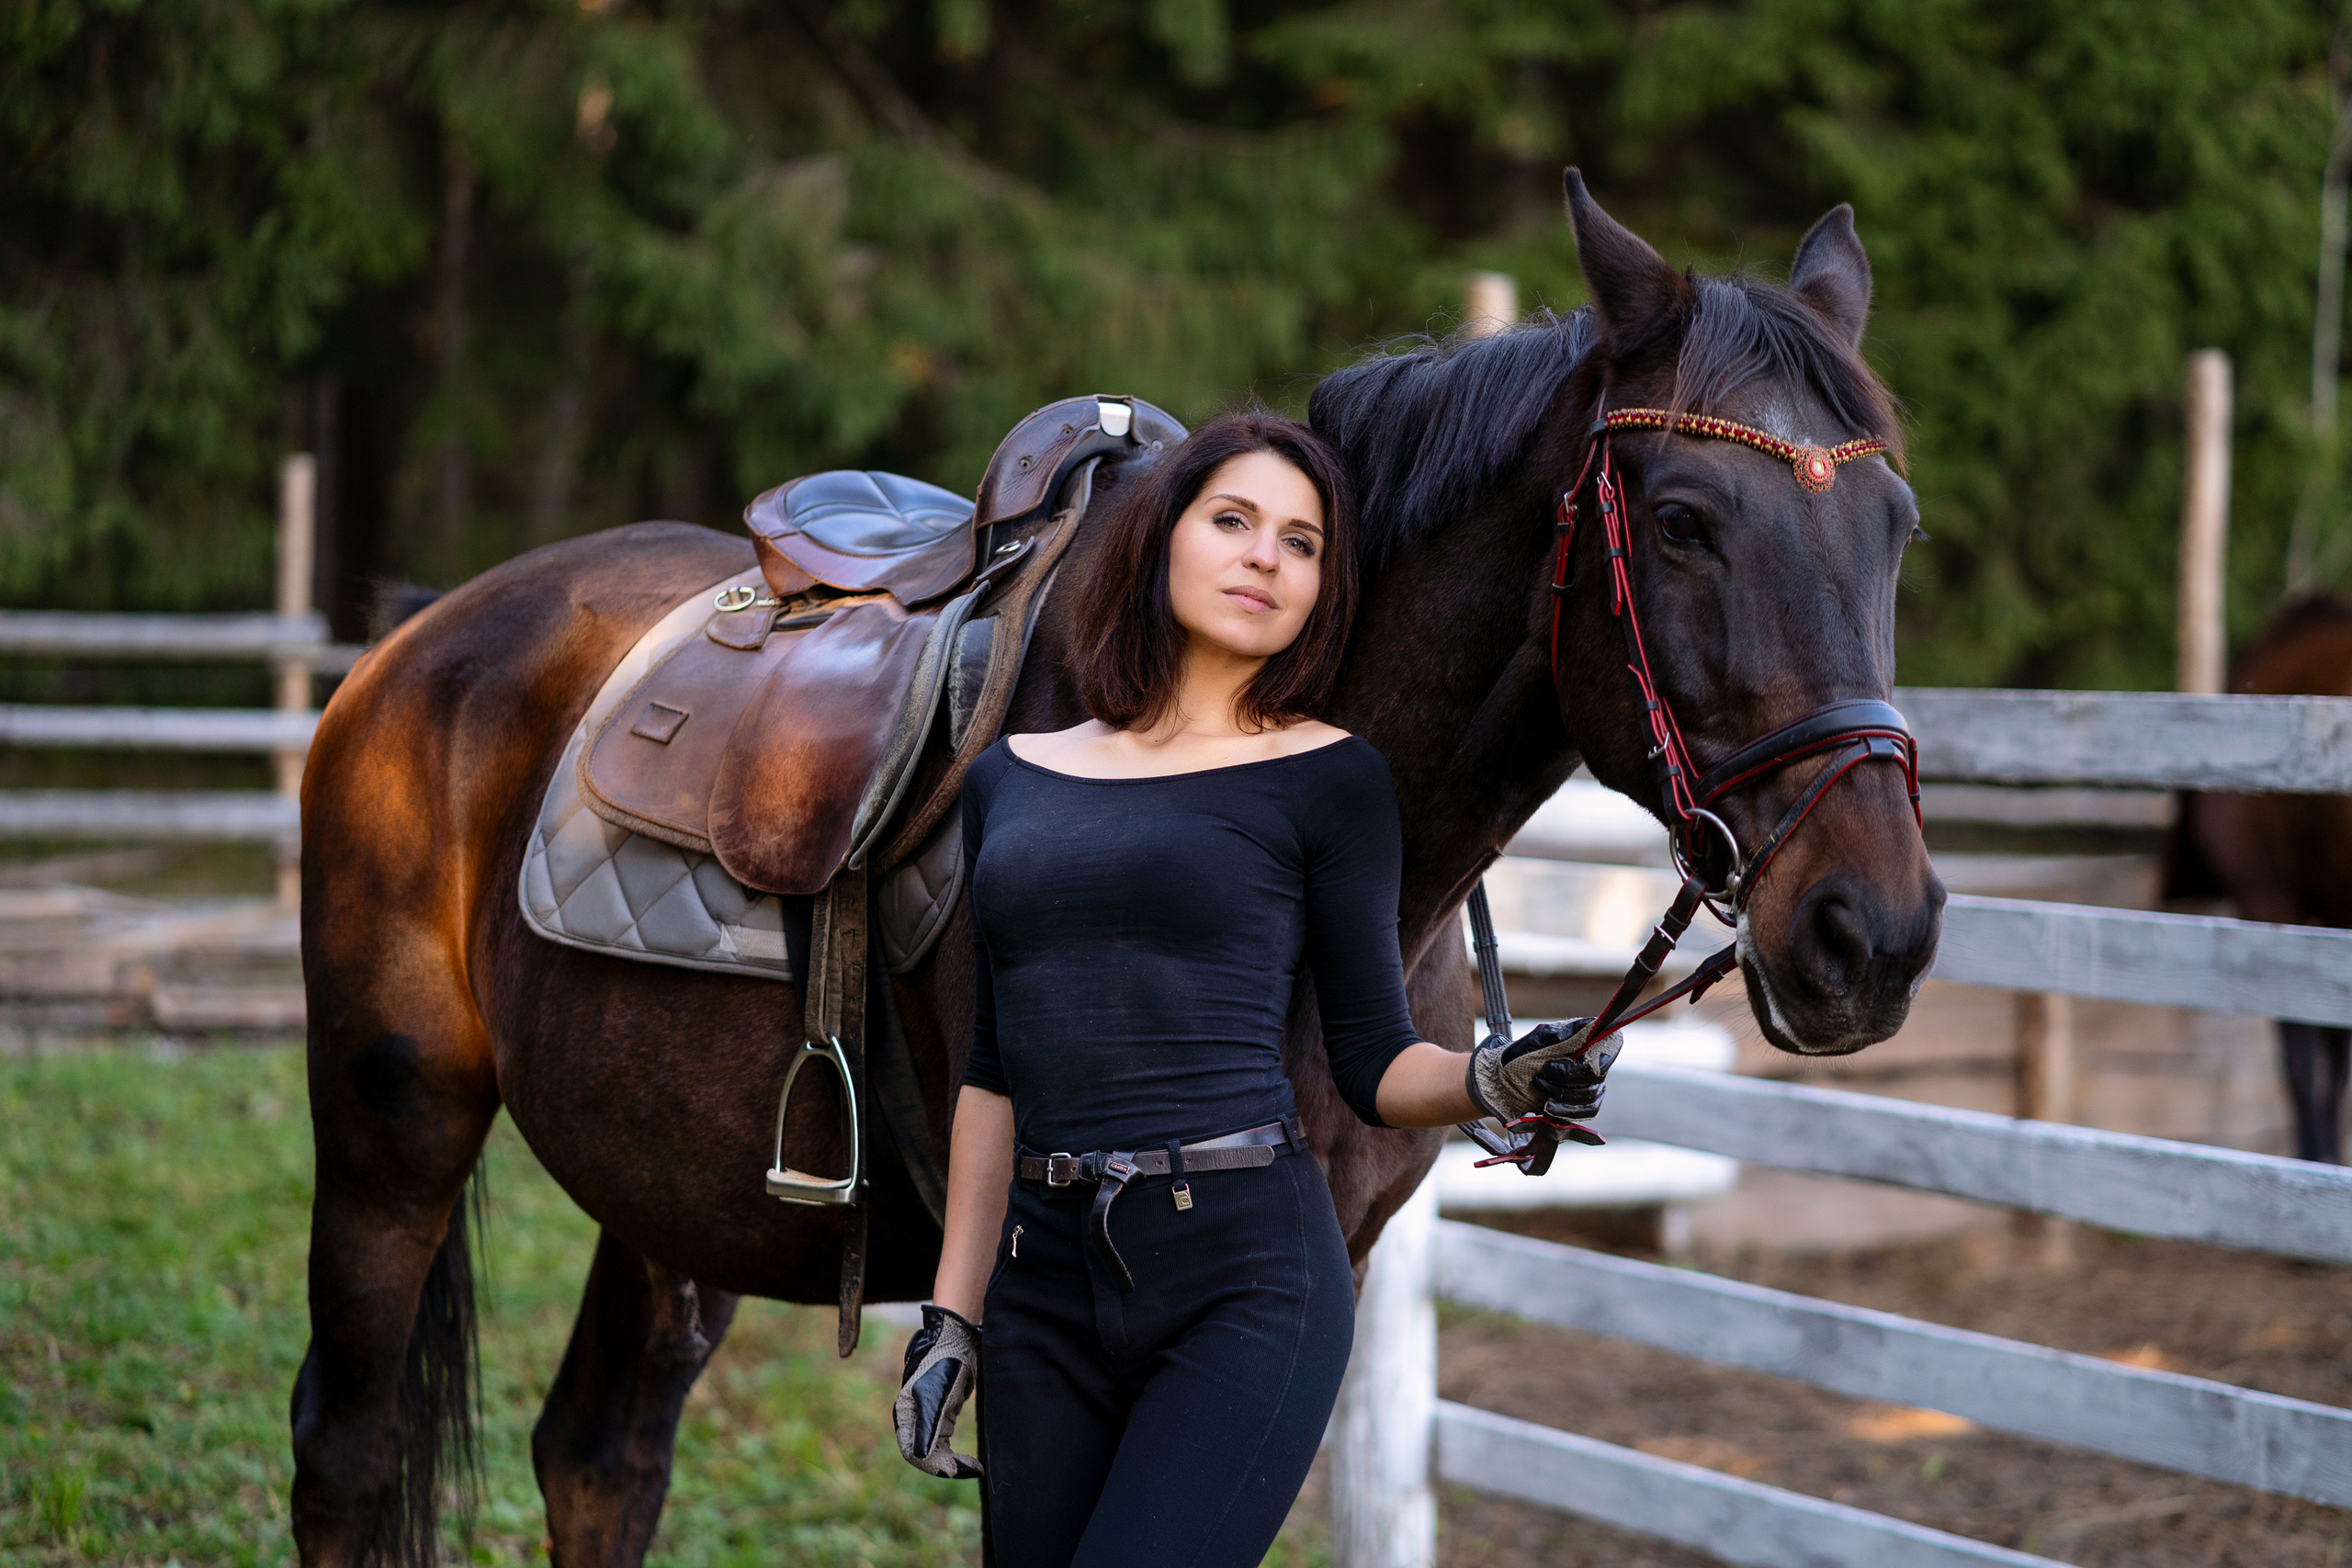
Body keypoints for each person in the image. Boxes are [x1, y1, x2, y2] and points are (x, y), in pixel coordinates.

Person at [892, 411, 1604, 1565]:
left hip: (1245, 1279)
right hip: (1041, 1285)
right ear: (1163, 537)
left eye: (1301, 542)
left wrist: (1493, 1076)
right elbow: (992, 1072)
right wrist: (952, 1319)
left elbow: (1372, 1062)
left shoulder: (1331, 778)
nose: (1265, 556)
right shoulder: (1011, 779)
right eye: (1233, 521)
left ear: (1323, 588)